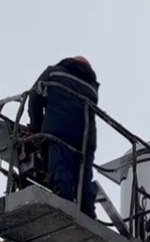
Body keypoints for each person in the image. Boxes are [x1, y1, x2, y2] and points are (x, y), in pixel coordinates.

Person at [26, 56, 99, 218]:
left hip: (60, 129)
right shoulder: (92, 87)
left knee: (61, 169)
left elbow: (34, 97)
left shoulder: (54, 72)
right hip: (86, 138)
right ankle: (88, 214)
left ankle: (64, 206)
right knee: (84, 177)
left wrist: (35, 127)